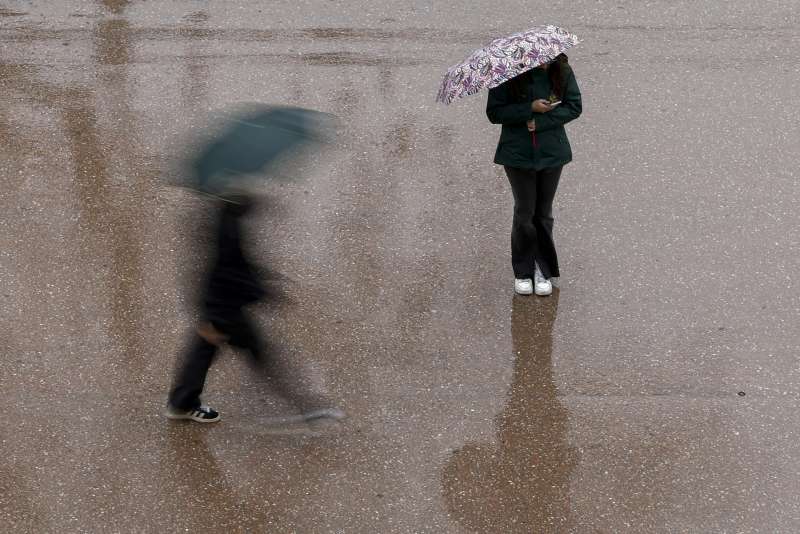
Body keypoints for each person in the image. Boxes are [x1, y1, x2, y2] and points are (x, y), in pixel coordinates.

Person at [166, 192, 343, 424]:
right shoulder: (227, 225)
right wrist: (262, 291)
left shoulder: (223, 215)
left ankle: (181, 403)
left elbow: (230, 263)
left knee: (205, 350)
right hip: (224, 305)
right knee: (260, 353)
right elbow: (230, 268)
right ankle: (306, 407)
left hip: (218, 303)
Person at [486, 54, 582, 296]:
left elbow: (574, 106)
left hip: (552, 153)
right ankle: (522, 271)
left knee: (543, 213)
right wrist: (528, 108)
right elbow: (494, 113)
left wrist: (543, 121)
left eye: (548, 59)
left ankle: (543, 270)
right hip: (517, 154)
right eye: (539, 60)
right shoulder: (506, 73)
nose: (544, 63)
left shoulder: (563, 71)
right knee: (524, 212)